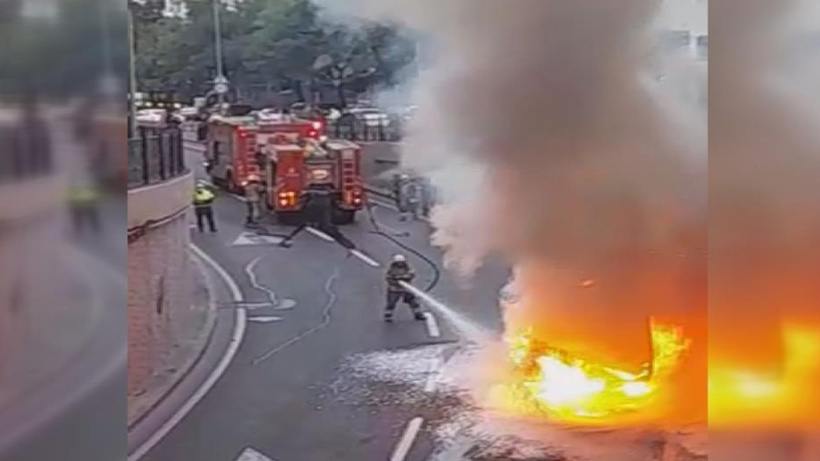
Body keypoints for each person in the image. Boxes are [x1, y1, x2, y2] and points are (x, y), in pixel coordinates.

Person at [279, 185, 356, 250]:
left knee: (306, 225)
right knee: (330, 229)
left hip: (314, 214)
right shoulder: (325, 199)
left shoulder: (312, 199)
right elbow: (332, 205)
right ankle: (347, 244)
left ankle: (287, 239)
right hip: (321, 215)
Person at [384, 254, 425, 322]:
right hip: (394, 289)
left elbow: (412, 273)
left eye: (402, 262)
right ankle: (388, 315)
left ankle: (418, 314)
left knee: (413, 301)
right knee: (391, 302)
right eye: (399, 262)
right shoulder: (391, 268)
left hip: (406, 288)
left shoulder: (407, 266)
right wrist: (394, 281)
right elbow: (388, 277)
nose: (400, 264)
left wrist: (404, 277)